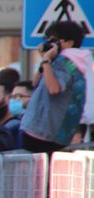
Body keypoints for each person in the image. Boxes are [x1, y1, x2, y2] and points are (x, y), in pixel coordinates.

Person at [21, 21, 90, 153]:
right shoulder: (74, 63)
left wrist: (47, 61)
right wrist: (45, 60)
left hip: (42, 131)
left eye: (56, 41)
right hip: (55, 132)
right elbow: (35, 83)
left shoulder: (65, 62)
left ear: (69, 43)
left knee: (38, 172)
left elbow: (54, 89)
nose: (51, 44)